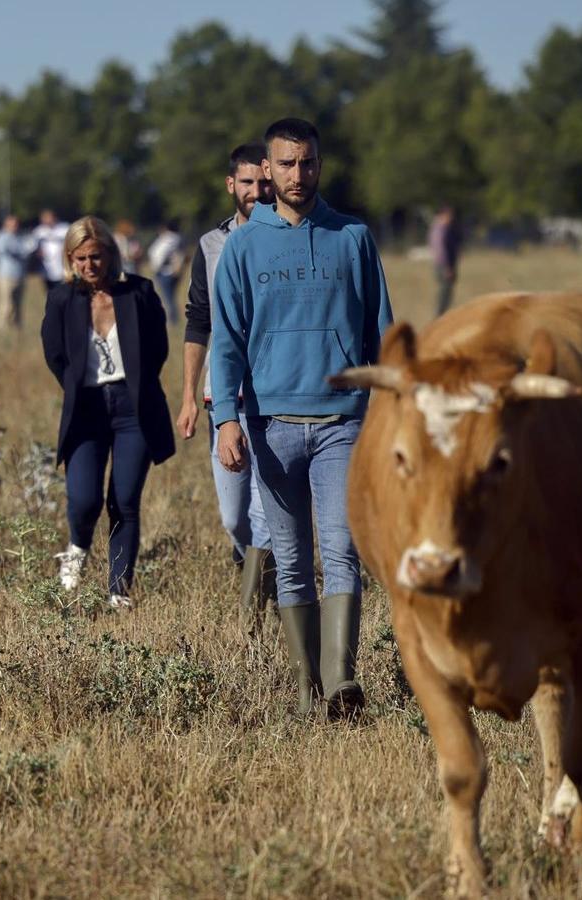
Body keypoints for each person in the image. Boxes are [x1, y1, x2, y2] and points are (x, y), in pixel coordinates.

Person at [210, 117, 393, 719]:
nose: (298, 174)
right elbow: (227, 342)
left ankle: (342, 682)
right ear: (267, 169)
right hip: (270, 424)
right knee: (289, 559)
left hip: (342, 420)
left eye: (308, 162)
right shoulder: (242, 247)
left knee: (341, 550)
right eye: (286, 164)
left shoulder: (353, 238)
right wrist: (226, 421)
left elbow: (380, 333)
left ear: (320, 163)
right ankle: (305, 690)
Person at [41, 216, 175, 611]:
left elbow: (158, 349)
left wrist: (136, 383)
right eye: (80, 258)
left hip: (133, 408)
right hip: (86, 407)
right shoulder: (62, 299)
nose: (89, 265)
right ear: (70, 258)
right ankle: (78, 545)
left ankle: (119, 590)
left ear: (111, 255)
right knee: (84, 499)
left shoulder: (139, 292)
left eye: (96, 256)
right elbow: (54, 354)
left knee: (125, 499)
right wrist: (76, 386)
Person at [177, 142, 276, 639]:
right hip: (224, 399)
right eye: (247, 184)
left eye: (264, 183)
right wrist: (189, 396)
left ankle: (252, 621)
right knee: (234, 516)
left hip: (275, 397)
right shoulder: (210, 246)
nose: (257, 193)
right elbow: (198, 323)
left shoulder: (284, 238)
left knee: (265, 512)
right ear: (230, 185)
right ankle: (259, 573)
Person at [0, 214, 32, 331]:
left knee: (18, 305)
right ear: (6, 224)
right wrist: (22, 250)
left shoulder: (20, 237)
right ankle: (1, 328)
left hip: (20, 275)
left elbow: (27, 251)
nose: (15, 226)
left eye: (16, 224)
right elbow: (5, 250)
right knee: (7, 304)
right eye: (12, 224)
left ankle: (17, 328)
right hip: (6, 276)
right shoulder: (1, 237)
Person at [145, 221, 185, 323]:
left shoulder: (169, 239)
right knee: (171, 297)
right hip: (171, 271)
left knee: (168, 298)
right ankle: (174, 319)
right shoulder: (177, 238)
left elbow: (158, 253)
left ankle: (173, 320)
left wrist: (156, 267)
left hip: (165, 272)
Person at [429, 205, 462, 316]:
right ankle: (440, 317)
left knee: (447, 293)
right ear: (443, 215)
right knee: (444, 293)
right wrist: (447, 267)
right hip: (444, 266)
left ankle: (442, 315)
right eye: (449, 215)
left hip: (445, 265)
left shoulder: (444, 229)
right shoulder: (440, 230)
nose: (451, 218)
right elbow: (441, 250)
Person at [33, 209, 69, 294]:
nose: (47, 220)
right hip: (46, 270)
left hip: (63, 270)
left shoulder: (64, 228)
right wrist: (38, 253)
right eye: (44, 218)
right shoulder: (39, 231)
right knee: (50, 295)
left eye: (49, 217)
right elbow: (32, 247)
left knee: (63, 295)